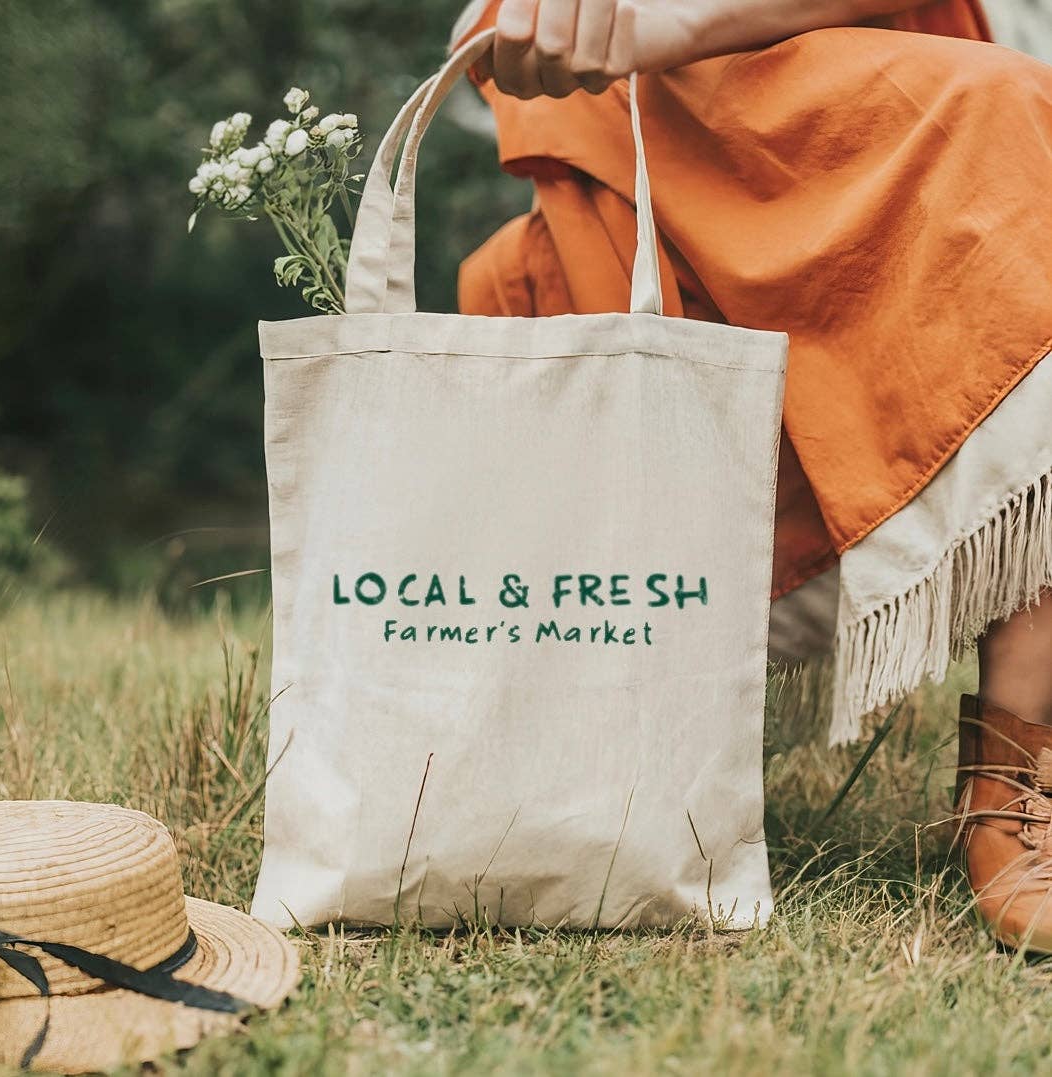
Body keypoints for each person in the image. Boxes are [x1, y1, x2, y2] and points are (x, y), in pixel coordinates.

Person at [448, 0, 1052, 950]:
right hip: (649, 117)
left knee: (1004, 122)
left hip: (850, 52)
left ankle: (1020, 765)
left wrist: (677, 21)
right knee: (529, 269)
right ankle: (575, 742)